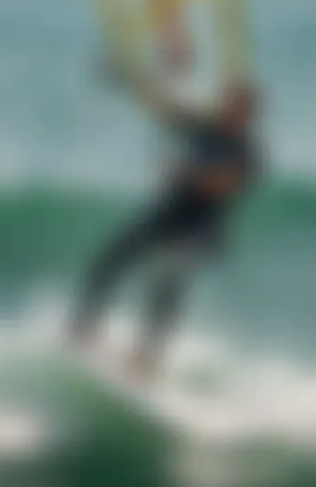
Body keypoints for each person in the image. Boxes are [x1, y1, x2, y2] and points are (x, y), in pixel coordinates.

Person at [69, 66, 262, 381]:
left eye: (238, 108)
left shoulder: (248, 151)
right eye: (227, 103)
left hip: (200, 226)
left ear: (249, 114)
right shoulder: (203, 127)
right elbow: (161, 105)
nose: (229, 110)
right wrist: (127, 78)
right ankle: (84, 327)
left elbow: (223, 184)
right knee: (113, 255)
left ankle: (147, 355)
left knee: (168, 281)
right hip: (169, 212)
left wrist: (184, 172)